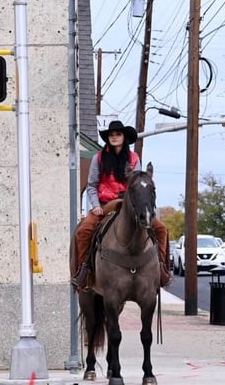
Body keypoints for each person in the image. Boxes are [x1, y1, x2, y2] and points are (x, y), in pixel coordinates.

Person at [71, 120, 172, 290]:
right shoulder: (99, 158)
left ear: (124, 137)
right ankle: (84, 271)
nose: (114, 137)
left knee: (161, 229)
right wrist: (96, 205)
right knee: (84, 230)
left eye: (118, 134)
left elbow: (138, 183)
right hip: (105, 205)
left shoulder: (134, 159)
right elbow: (92, 185)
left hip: (128, 205)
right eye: (111, 135)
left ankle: (161, 268)